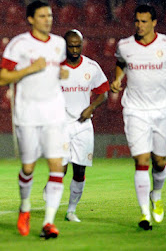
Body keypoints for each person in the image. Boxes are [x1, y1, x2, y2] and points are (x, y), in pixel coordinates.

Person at [111, 4, 166, 230]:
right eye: (137, 21)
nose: (139, 25)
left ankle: (156, 195)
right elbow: (120, 63)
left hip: (161, 109)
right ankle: (144, 214)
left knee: (159, 161)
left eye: (144, 21)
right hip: (135, 110)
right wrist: (118, 79)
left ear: (154, 23)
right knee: (142, 160)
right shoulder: (125, 45)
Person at [0, 0, 68, 239]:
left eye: (49, 15)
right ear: (30, 19)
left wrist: (63, 74)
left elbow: (61, 70)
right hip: (27, 113)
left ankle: (48, 223)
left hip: (54, 113)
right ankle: (25, 207)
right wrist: (30, 69)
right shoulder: (19, 44)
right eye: (42, 16)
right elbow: (2, 78)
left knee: (56, 165)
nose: (48, 19)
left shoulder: (60, 44)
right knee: (28, 167)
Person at [60, 29, 110, 222]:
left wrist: (92, 107)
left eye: (77, 45)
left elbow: (103, 92)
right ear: (65, 46)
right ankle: (52, 188)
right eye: (71, 46)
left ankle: (71, 210)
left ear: (82, 45)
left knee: (80, 171)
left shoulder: (91, 66)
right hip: (61, 125)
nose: (74, 49)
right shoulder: (56, 67)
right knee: (60, 169)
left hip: (83, 125)